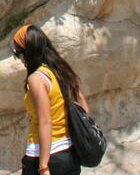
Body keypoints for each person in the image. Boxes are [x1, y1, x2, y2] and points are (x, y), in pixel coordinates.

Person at [12, 22, 90, 175]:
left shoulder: (36, 79)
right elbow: (84, 109)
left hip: (43, 156)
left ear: (26, 53)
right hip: (69, 154)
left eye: (18, 54)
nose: (19, 59)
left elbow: (45, 121)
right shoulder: (60, 70)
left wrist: (43, 167)